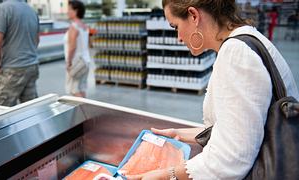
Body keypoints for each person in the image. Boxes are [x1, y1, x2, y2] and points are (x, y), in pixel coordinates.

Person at [128, 0, 299, 179]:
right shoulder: (245, 40)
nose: (178, 37)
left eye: (175, 26)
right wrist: (179, 134)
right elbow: (241, 127)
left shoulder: (236, 54)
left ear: (194, 16)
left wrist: (167, 174)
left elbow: (231, 159)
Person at [0, 0, 40, 107]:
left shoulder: (2, 9)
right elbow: (36, 40)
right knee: (30, 109)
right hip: (31, 66)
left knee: (0, 112)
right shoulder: (31, 11)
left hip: (11, 68)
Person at [64, 0, 91, 98]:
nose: (67, 12)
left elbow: (72, 47)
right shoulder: (85, 26)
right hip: (86, 61)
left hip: (76, 62)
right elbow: (88, 44)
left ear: (76, 11)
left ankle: (83, 112)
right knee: (82, 88)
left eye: (69, 9)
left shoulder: (74, 27)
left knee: (74, 89)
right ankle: (86, 110)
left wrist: (68, 62)